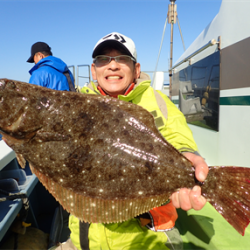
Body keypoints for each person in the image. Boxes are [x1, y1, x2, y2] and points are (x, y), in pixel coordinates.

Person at [55, 32, 209, 250]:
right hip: (85, 238)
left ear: (136, 69)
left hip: (146, 239)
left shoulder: (158, 102)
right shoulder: (75, 105)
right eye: (103, 59)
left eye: (122, 59)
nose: (113, 66)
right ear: (94, 69)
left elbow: (178, 138)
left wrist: (185, 156)